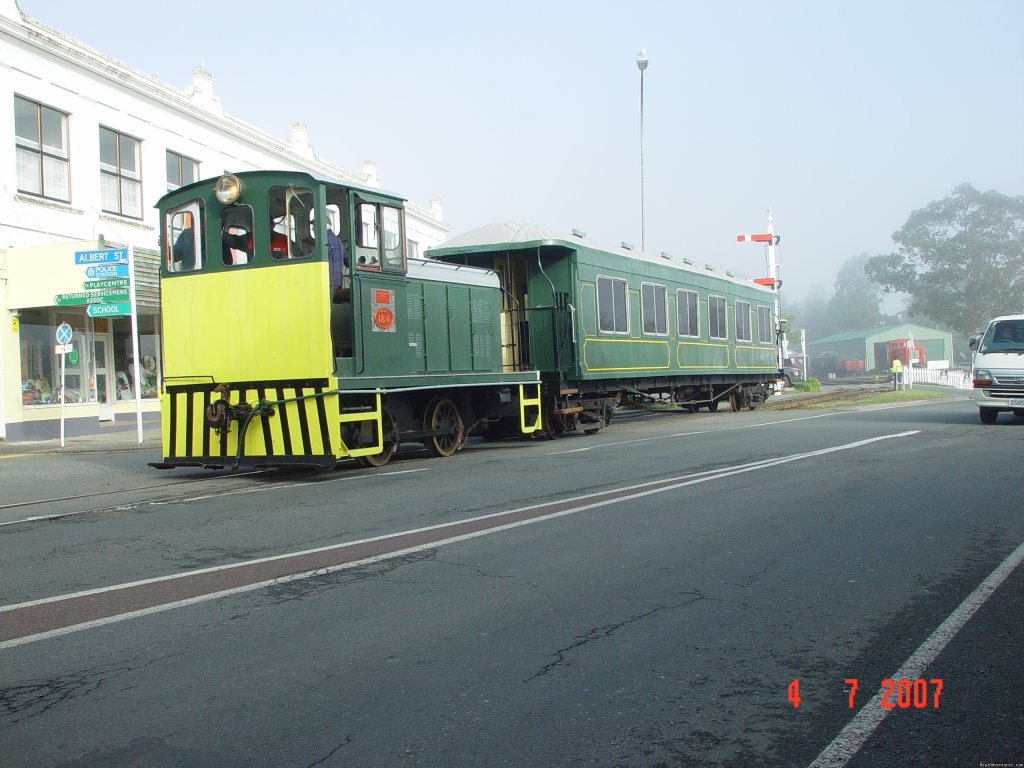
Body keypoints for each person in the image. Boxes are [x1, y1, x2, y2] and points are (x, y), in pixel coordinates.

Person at [326, 222, 348, 298]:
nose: (312, 228)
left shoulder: (325, 239)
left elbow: (317, 255)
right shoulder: (338, 240)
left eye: (315, 226)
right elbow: (347, 260)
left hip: (328, 280)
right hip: (338, 280)